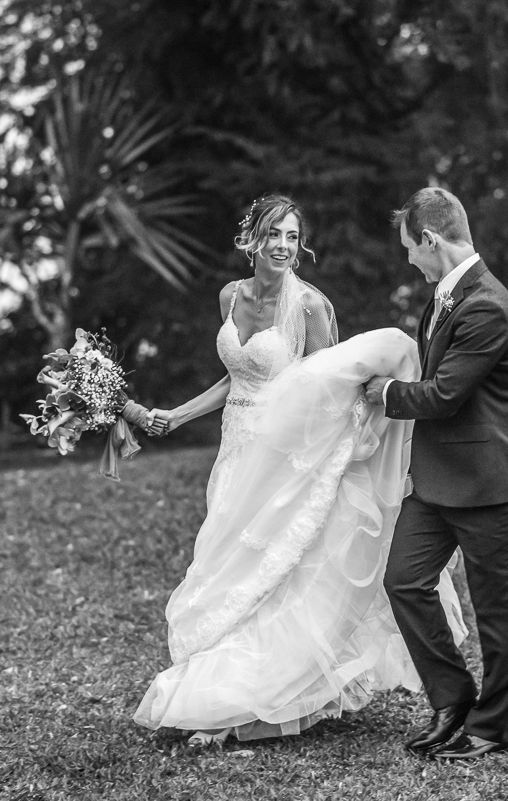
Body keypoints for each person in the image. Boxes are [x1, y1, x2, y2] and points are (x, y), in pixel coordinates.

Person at [134, 195, 466, 746]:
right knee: (230, 562)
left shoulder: (310, 306)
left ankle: (253, 697)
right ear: (252, 241)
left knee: (276, 565)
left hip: (285, 455)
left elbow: (328, 388)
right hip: (234, 448)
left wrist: (335, 458)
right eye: (274, 235)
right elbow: (236, 377)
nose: (284, 246)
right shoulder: (229, 297)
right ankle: (220, 680)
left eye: (292, 236)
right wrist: (179, 414)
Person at [363, 187, 508, 760]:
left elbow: (444, 394)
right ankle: (452, 698)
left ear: (432, 240)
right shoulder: (444, 296)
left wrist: (385, 392)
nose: (408, 257)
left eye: (410, 247)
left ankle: (490, 729)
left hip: (489, 485)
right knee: (404, 582)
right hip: (437, 483)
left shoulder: (486, 303)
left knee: (494, 611)